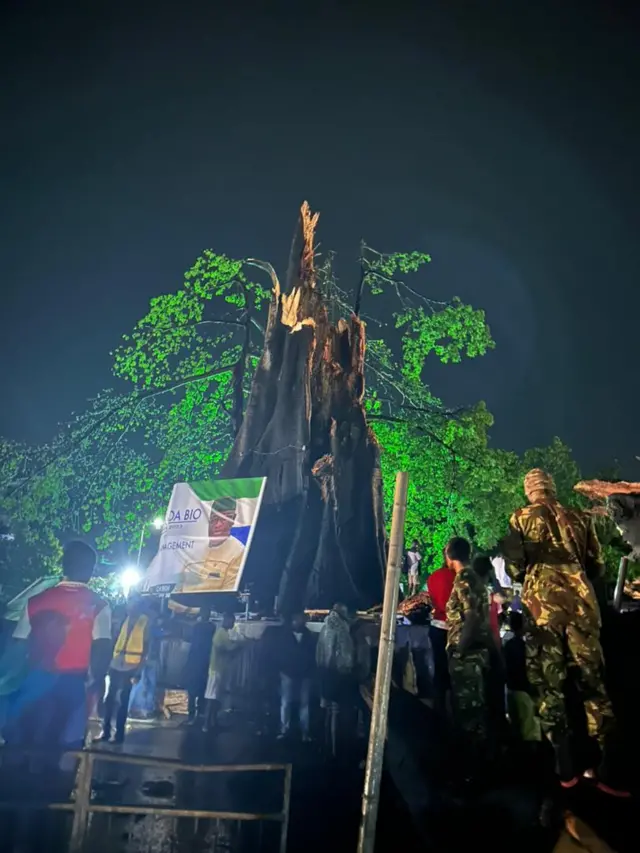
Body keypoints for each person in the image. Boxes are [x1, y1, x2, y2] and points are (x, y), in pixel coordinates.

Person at [501, 468, 626, 794]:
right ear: (552, 489)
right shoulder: (577, 515)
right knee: (592, 681)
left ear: (529, 491)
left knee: (549, 683)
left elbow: (515, 568)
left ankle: (564, 765)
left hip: (542, 609)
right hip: (582, 604)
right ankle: (610, 766)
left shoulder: (520, 518)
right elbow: (596, 565)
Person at [7, 541, 111, 756]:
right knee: (67, 749)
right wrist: (94, 692)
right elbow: (101, 651)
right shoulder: (99, 605)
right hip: (74, 683)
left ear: (63, 566)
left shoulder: (35, 601)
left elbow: (18, 644)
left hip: (35, 679)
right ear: (91, 570)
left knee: (28, 745)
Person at [445, 538, 494, 754]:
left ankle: (475, 764)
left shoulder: (463, 578)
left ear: (449, 555)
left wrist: (459, 650)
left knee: (469, 713)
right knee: (476, 710)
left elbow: (472, 617)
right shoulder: (475, 578)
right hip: (478, 651)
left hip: (468, 655)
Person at [98, 593, 149, 744]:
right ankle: (106, 732)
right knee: (110, 699)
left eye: (132, 605)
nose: (129, 608)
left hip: (131, 666)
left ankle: (119, 734)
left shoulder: (145, 622)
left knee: (123, 700)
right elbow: (115, 641)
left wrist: (138, 671)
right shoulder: (123, 620)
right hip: (116, 663)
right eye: (129, 605)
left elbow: (146, 649)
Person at [316, 603, 355, 757]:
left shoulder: (327, 627)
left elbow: (321, 651)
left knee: (329, 710)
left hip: (327, 672)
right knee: (334, 710)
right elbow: (339, 654)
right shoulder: (339, 627)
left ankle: (327, 745)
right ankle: (333, 747)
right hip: (336, 674)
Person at [275, 612, 316, 741]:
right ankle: (286, 729)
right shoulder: (288, 636)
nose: (300, 622)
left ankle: (302, 731)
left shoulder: (306, 635)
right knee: (289, 703)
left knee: (299, 703)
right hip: (290, 673)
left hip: (302, 674)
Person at [504, 611, 541, 743]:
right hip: (524, 691)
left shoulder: (508, 645)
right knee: (529, 730)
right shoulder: (526, 647)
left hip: (511, 690)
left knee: (516, 727)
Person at [426, 548, 455, 715]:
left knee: (439, 669)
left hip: (436, 626)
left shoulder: (433, 577)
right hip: (452, 628)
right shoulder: (459, 578)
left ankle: (439, 709)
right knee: (454, 672)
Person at [203, 611, 243, 732]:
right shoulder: (221, 634)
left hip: (219, 669)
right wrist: (240, 644)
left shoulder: (223, 633)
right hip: (216, 670)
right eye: (232, 621)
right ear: (226, 620)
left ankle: (213, 722)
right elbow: (228, 648)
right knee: (212, 697)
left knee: (216, 698)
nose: (233, 623)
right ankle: (206, 724)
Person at [185, 606, 215, 724]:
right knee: (202, 687)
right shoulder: (211, 627)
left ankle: (192, 715)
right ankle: (200, 712)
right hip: (205, 660)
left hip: (196, 660)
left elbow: (193, 644)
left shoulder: (197, 627)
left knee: (193, 689)